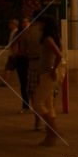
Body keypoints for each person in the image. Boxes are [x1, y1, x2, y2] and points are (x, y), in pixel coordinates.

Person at [34, 16, 63, 146]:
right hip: (48, 73)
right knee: (48, 103)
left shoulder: (48, 39)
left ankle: (53, 130)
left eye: (39, 23)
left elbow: (59, 55)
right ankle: (50, 137)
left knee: (37, 103)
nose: (38, 25)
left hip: (47, 73)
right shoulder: (56, 38)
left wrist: (52, 69)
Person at [20, 12, 44, 130]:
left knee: (34, 94)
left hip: (33, 64)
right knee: (47, 95)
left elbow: (23, 51)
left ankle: (37, 121)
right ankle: (48, 120)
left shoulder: (26, 34)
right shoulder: (46, 32)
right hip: (46, 65)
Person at [13, 17, 30, 113]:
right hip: (20, 59)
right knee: (23, 83)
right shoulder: (18, 34)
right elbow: (14, 45)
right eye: (23, 22)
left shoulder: (31, 33)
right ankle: (25, 104)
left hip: (29, 59)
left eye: (26, 22)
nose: (24, 24)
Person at [2, 18, 19, 88]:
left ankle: (5, 82)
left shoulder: (15, 32)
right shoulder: (13, 32)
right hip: (13, 53)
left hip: (13, 53)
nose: (9, 25)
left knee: (8, 68)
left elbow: (14, 43)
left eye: (10, 24)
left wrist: (14, 53)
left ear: (14, 25)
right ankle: (5, 81)